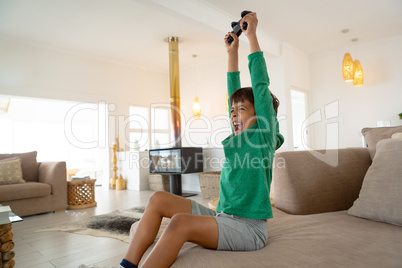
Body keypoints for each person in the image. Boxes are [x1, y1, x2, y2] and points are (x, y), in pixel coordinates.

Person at [118, 12, 284, 268]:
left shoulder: (264, 136)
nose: (234, 115)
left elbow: (260, 85)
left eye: (242, 110)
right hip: (222, 217)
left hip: (249, 229)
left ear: (260, 115)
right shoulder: (239, 136)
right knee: (158, 199)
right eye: (232, 111)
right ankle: (124, 265)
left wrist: (251, 36)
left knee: (179, 223)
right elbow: (233, 90)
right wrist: (232, 52)